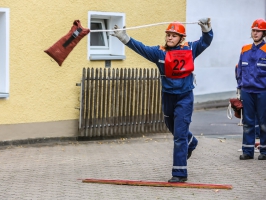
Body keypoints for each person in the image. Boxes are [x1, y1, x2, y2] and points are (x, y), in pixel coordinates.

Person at [111, 19, 213, 182]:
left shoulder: (190, 49)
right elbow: (141, 48)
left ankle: (179, 173)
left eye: (174, 36)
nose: (169, 38)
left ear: (181, 38)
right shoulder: (159, 52)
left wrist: (207, 30)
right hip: (168, 97)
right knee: (172, 127)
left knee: (179, 136)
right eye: (168, 35)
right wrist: (124, 38)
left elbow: (206, 41)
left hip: (184, 97)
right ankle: (191, 142)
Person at [235, 18, 266, 160]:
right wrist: (240, 87)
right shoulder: (245, 49)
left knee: (263, 122)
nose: (255, 33)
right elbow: (239, 68)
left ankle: (264, 152)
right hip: (247, 91)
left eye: (258, 31)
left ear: (263, 33)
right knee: (247, 122)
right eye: (253, 30)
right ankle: (247, 151)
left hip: (262, 91)